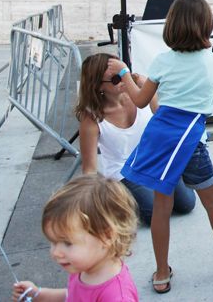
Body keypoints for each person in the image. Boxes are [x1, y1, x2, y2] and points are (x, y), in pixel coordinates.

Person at [106, 0, 213, 293]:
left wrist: (125, 73)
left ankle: (161, 273)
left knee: (162, 207)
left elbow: (140, 100)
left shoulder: (162, 61)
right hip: (191, 144)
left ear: (172, 26)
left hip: (161, 141)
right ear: (206, 26)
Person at [75, 53, 196, 226]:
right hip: (124, 171)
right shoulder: (92, 118)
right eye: (116, 78)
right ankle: (120, 198)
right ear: (98, 86)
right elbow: (89, 168)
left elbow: (165, 120)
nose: (124, 80)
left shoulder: (139, 94)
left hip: (154, 160)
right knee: (154, 212)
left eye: (125, 73)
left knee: (187, 204)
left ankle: (150, 189)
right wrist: (91, 205)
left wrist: (149, 88)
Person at [11, 174, 139, 301]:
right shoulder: (84, 267)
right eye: (53, 242)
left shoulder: (117, 297)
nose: (55, 252)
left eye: (67, 243)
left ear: (107, 236)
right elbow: (74, 295)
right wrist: (39, 295)